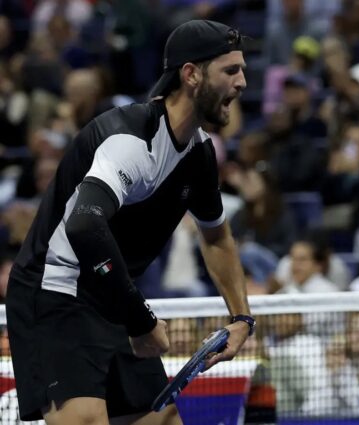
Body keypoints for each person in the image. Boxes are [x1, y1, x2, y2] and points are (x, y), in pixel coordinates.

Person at [6, 20, 256, 424]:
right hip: (55, 291)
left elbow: (217, 238)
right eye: (231, 70)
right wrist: (142, 320)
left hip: (110, 297)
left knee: (163, 420)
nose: (243, 82)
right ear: (191, 75)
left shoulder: (200, 156)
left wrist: (242, 318)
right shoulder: (130, 142)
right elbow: (84, 226)